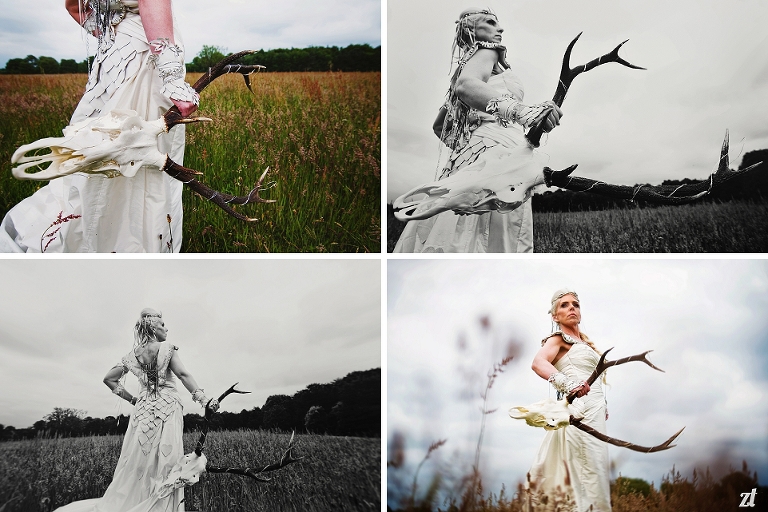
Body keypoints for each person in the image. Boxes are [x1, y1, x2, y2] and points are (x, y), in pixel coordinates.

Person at [0, 0, 198, 252]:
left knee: (103, 152)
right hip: (145, 64)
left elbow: (74, 6)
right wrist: (172, 77)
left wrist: (116, 30)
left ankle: (86, 239)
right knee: (139, 158)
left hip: (113, 61)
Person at [393, 8, 563, 253]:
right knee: (498, 219)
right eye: (490, 22)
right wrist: (521, 112)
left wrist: (468, 147)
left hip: (477, 151)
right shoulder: (487, 51)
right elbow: (466, 86)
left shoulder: (466, 65)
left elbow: (440, 126)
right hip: (500, 149)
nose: (500, 28)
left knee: (462, 218)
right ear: (471, 29)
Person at [55, 308, 219, 512]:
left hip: (142, 412)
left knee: (139, 461)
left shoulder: (132, 356)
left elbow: (109, 379)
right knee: (166, 461)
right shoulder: (167, 349)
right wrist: (205, 400)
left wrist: (133, 399)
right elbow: (183, 375)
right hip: (167, 409)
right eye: (162, 325)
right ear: (153, 328)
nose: (166, 329)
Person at [520, 288, 611, 512]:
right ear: (555, 316)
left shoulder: (585, 345)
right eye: (564, 305)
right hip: (579, 413)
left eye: (575, 304)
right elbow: (538, 363)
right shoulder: (558, 339)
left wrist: (603, 404)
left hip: (596, 414)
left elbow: (593, 380)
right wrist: (569, 385)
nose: (572, 308)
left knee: (597, 475)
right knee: (583, 474)